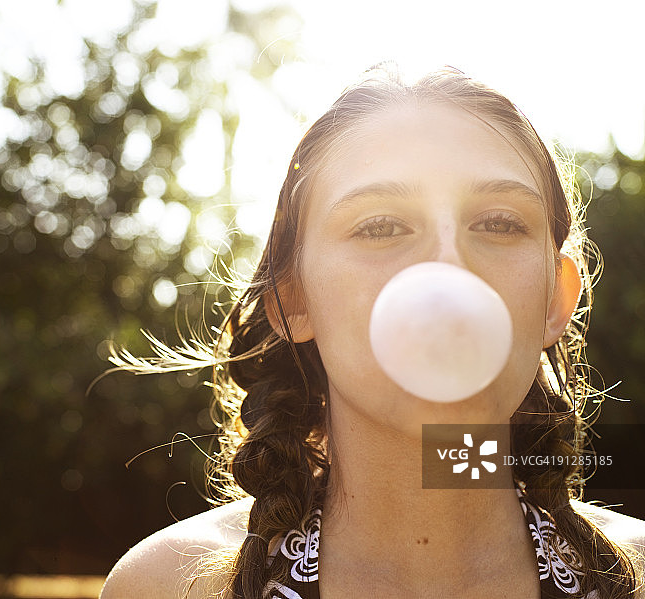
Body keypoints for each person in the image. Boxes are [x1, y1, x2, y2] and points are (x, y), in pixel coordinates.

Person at [101, 66, 645, 598]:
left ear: (556, 299)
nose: (448, 269)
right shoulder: (169, 587)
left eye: (499, 223)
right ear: (294, 298)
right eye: (380, 226)